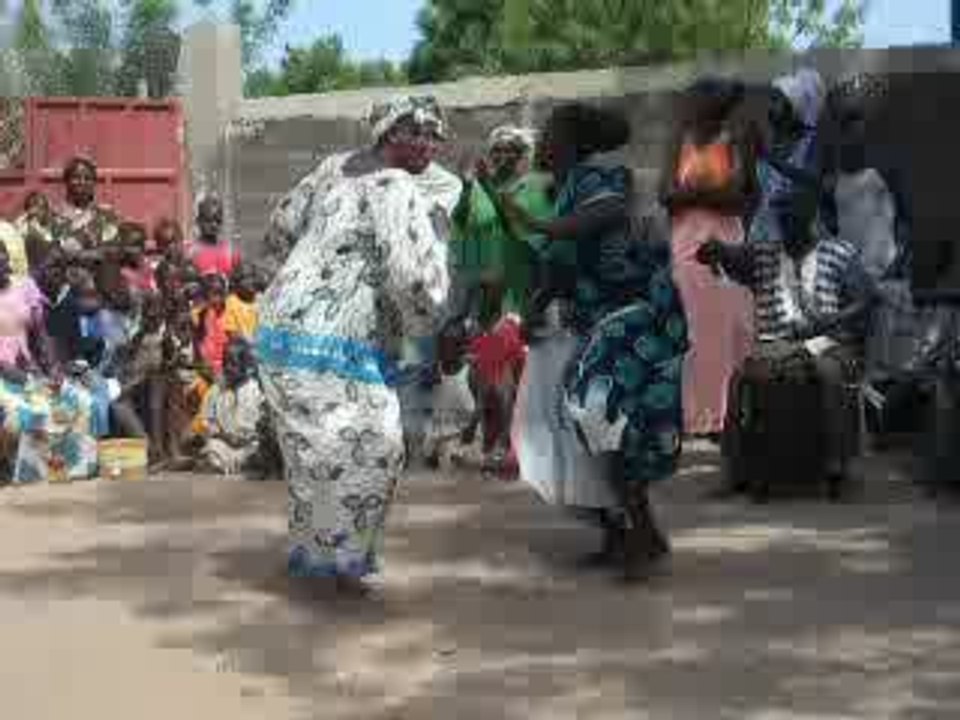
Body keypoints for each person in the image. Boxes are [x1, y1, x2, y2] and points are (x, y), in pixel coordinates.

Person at [257, 95, 452, 589]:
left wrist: (313, 267)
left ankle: (315, 552)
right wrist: (430, 321)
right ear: (391, 133)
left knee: (316, 453)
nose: (430, 144)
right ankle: (337, 563)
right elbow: (412, 280)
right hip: (331, 340)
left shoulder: (331, 168)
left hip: (281, 330)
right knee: (377, 447)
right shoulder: (396, 185)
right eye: (420, 132)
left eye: (435, 135)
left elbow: (280, 227)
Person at [501, 103, 689, 583]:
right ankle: (619, 533)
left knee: (597, 411)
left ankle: (642, 533)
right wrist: (535, 310)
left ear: (570, 144)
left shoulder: (598, 179)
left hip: (639, 311)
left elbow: (606, 214)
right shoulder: (563, 191)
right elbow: (561, 264)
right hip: (601, 318)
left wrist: (534, 223)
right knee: (576, 422)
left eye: (549, 135)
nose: (540, 144)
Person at [697, 182, 874, 486]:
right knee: (740, 380)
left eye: (793, 216)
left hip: (826, 341)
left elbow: (865, 299)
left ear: (810, 216)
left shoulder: (839, 251)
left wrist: (826, 322)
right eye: (782, 216)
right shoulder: (762, 253)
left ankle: (835, 460)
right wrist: (714, 251)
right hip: (773, 343)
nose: (787, 222)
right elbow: (726, 256)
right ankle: (736, 466)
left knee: (831, 375)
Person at [662, 78, 756, 438]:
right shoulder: (679, 141)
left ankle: (726, 414)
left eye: (696, 98)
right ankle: (695, 415)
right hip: (686, 247)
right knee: (693, 330)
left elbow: (736, 197)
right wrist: (706, 193)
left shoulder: (735, 141)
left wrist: (690, 192)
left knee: (731, 327)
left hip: (726, 244)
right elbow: (665, 195)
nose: (689, 104)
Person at [0, 241, 98, 483]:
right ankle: (17, 468)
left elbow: (40, 334)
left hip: (29, 366)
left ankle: (66, 466)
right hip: (5, 372)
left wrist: (52, 366)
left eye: (2, 258)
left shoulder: (24, 288)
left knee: (77, 400)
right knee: (17, 415)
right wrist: (16, 373)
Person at [451, 125, 551, 319]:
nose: (503, 154)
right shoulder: (478, 187)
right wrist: (467, 186)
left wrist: (487, 184)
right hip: (481, 284)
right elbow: (461, 223)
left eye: (511, 149)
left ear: (522, 154)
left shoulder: (532, 186)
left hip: (518, 283)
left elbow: (516, 230)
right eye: (497, 149)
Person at [749, 68, 826, 247]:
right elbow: (757, 193)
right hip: (763, 235)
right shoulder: (773, 143)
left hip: (796, 238)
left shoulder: (811, 142)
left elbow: (813, 181)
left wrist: (768, 158)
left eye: (777, 101)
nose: (770, 108)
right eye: (771, 100)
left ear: (795, 106)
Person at [191, 338, 266, 476]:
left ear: (246, 365)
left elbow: (263, 426)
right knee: (212, 452)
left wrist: (248, 438)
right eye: (225, 362)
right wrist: (223, 435)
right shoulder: (216, 390)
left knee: (258, 457)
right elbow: (206, 420)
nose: (227, 368)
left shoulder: (256, 391)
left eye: (233, 364)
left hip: (249, 447)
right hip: (223, 445)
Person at [57, 156, 120, 252]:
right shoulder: (54, 215)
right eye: (76, 177)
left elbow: (111, 251)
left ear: (94, 182)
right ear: (66, 181)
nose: (82, 182)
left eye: (87, 178)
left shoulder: (105, 216)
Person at [191, 197, 240, 277]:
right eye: (208, 220)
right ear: (199, 221)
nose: (214, 225)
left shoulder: (231, 253)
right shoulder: (190, 252)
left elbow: (239, 281)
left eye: (217, 221)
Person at [193, 273, 229, 379]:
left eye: (220, 292)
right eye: (213, 293)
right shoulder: (199, 316)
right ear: (205, 295)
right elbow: (197, 350)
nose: (217, 297)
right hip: (206, 371)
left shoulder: (232, 313)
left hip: (229, 369)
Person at [224, 263, 259, 341]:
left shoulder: (260, 300)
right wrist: (250, 340)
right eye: (246, 278)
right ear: (237, 284)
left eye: (253, 277)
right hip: (243, 348)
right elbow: (231, 333)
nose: (251, 281)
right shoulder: (231, 302)